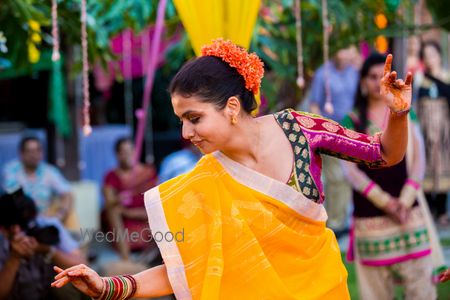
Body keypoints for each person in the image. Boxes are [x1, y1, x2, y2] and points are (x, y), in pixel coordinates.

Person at [52, 39, 412, 299]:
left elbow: (382, 154)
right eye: (181, 121)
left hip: (324, 290)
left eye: (193, 118)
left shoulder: (300, 128)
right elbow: (185, 270)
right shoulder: (203, 183)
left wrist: (397, 112)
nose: (185, 133)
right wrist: (110, 287)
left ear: (233, 107)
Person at [340, 53, 436, 300]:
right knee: (376, 292)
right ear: (362, 82)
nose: (375, 82)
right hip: (371, 218)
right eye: (371, 77)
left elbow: (419, 160)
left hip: (408, 213)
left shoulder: (405, 113)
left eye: (380, 77)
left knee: (422, 286)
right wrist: (386, 202)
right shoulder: (352, 120)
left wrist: (403, 201)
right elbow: (350, 171)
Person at [0, 188, 87, 300]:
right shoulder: (2, 240)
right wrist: (14, 258)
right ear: (3, 228)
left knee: (66, 285)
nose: (22, 232)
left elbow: (82, 265)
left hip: (48, 293)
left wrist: (49, 250)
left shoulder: (46, 225)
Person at [308, 46, 359, 235]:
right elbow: (314, 103)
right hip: (331, 132)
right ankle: (335, 223)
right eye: (343, 50)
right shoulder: (324, 74)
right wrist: (324, 129)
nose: (346, 54)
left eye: (349, 50)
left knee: (347, 177)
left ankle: (342, 220)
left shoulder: (354, 73)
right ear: (334, 51)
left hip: (351, 132)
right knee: (336, 176)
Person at [103, 137, 158, 259]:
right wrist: (118, 199)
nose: (128, 155)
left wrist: (128, 212)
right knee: (113, 210)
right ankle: (126, 257)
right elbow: (109, 204)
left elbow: (157, 204)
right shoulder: (111, 176)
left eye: (130, 150)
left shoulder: (148, 173)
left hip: (145, 218)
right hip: (124, 227)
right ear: (117, 155)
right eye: (123, 152)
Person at [2, 137, 75, 226]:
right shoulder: (11, 170)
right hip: (20, 222)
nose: (34, 155)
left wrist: (60, 214)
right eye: (30, 151)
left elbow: (67, 194)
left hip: (46, 219)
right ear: (21, 154)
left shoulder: (49, 171)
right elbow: (13, 197)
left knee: (70, 214)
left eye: (37, 150)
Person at [416, 41, 450, 225]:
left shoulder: (446, 76)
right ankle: (429, 209)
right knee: (427, 163)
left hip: (445, 127)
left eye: (433, 54)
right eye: (427, 55)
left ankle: (443, 210)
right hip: (425, 126)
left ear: (439, 55)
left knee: (444, 163)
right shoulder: (422, 79)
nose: (430, 59)